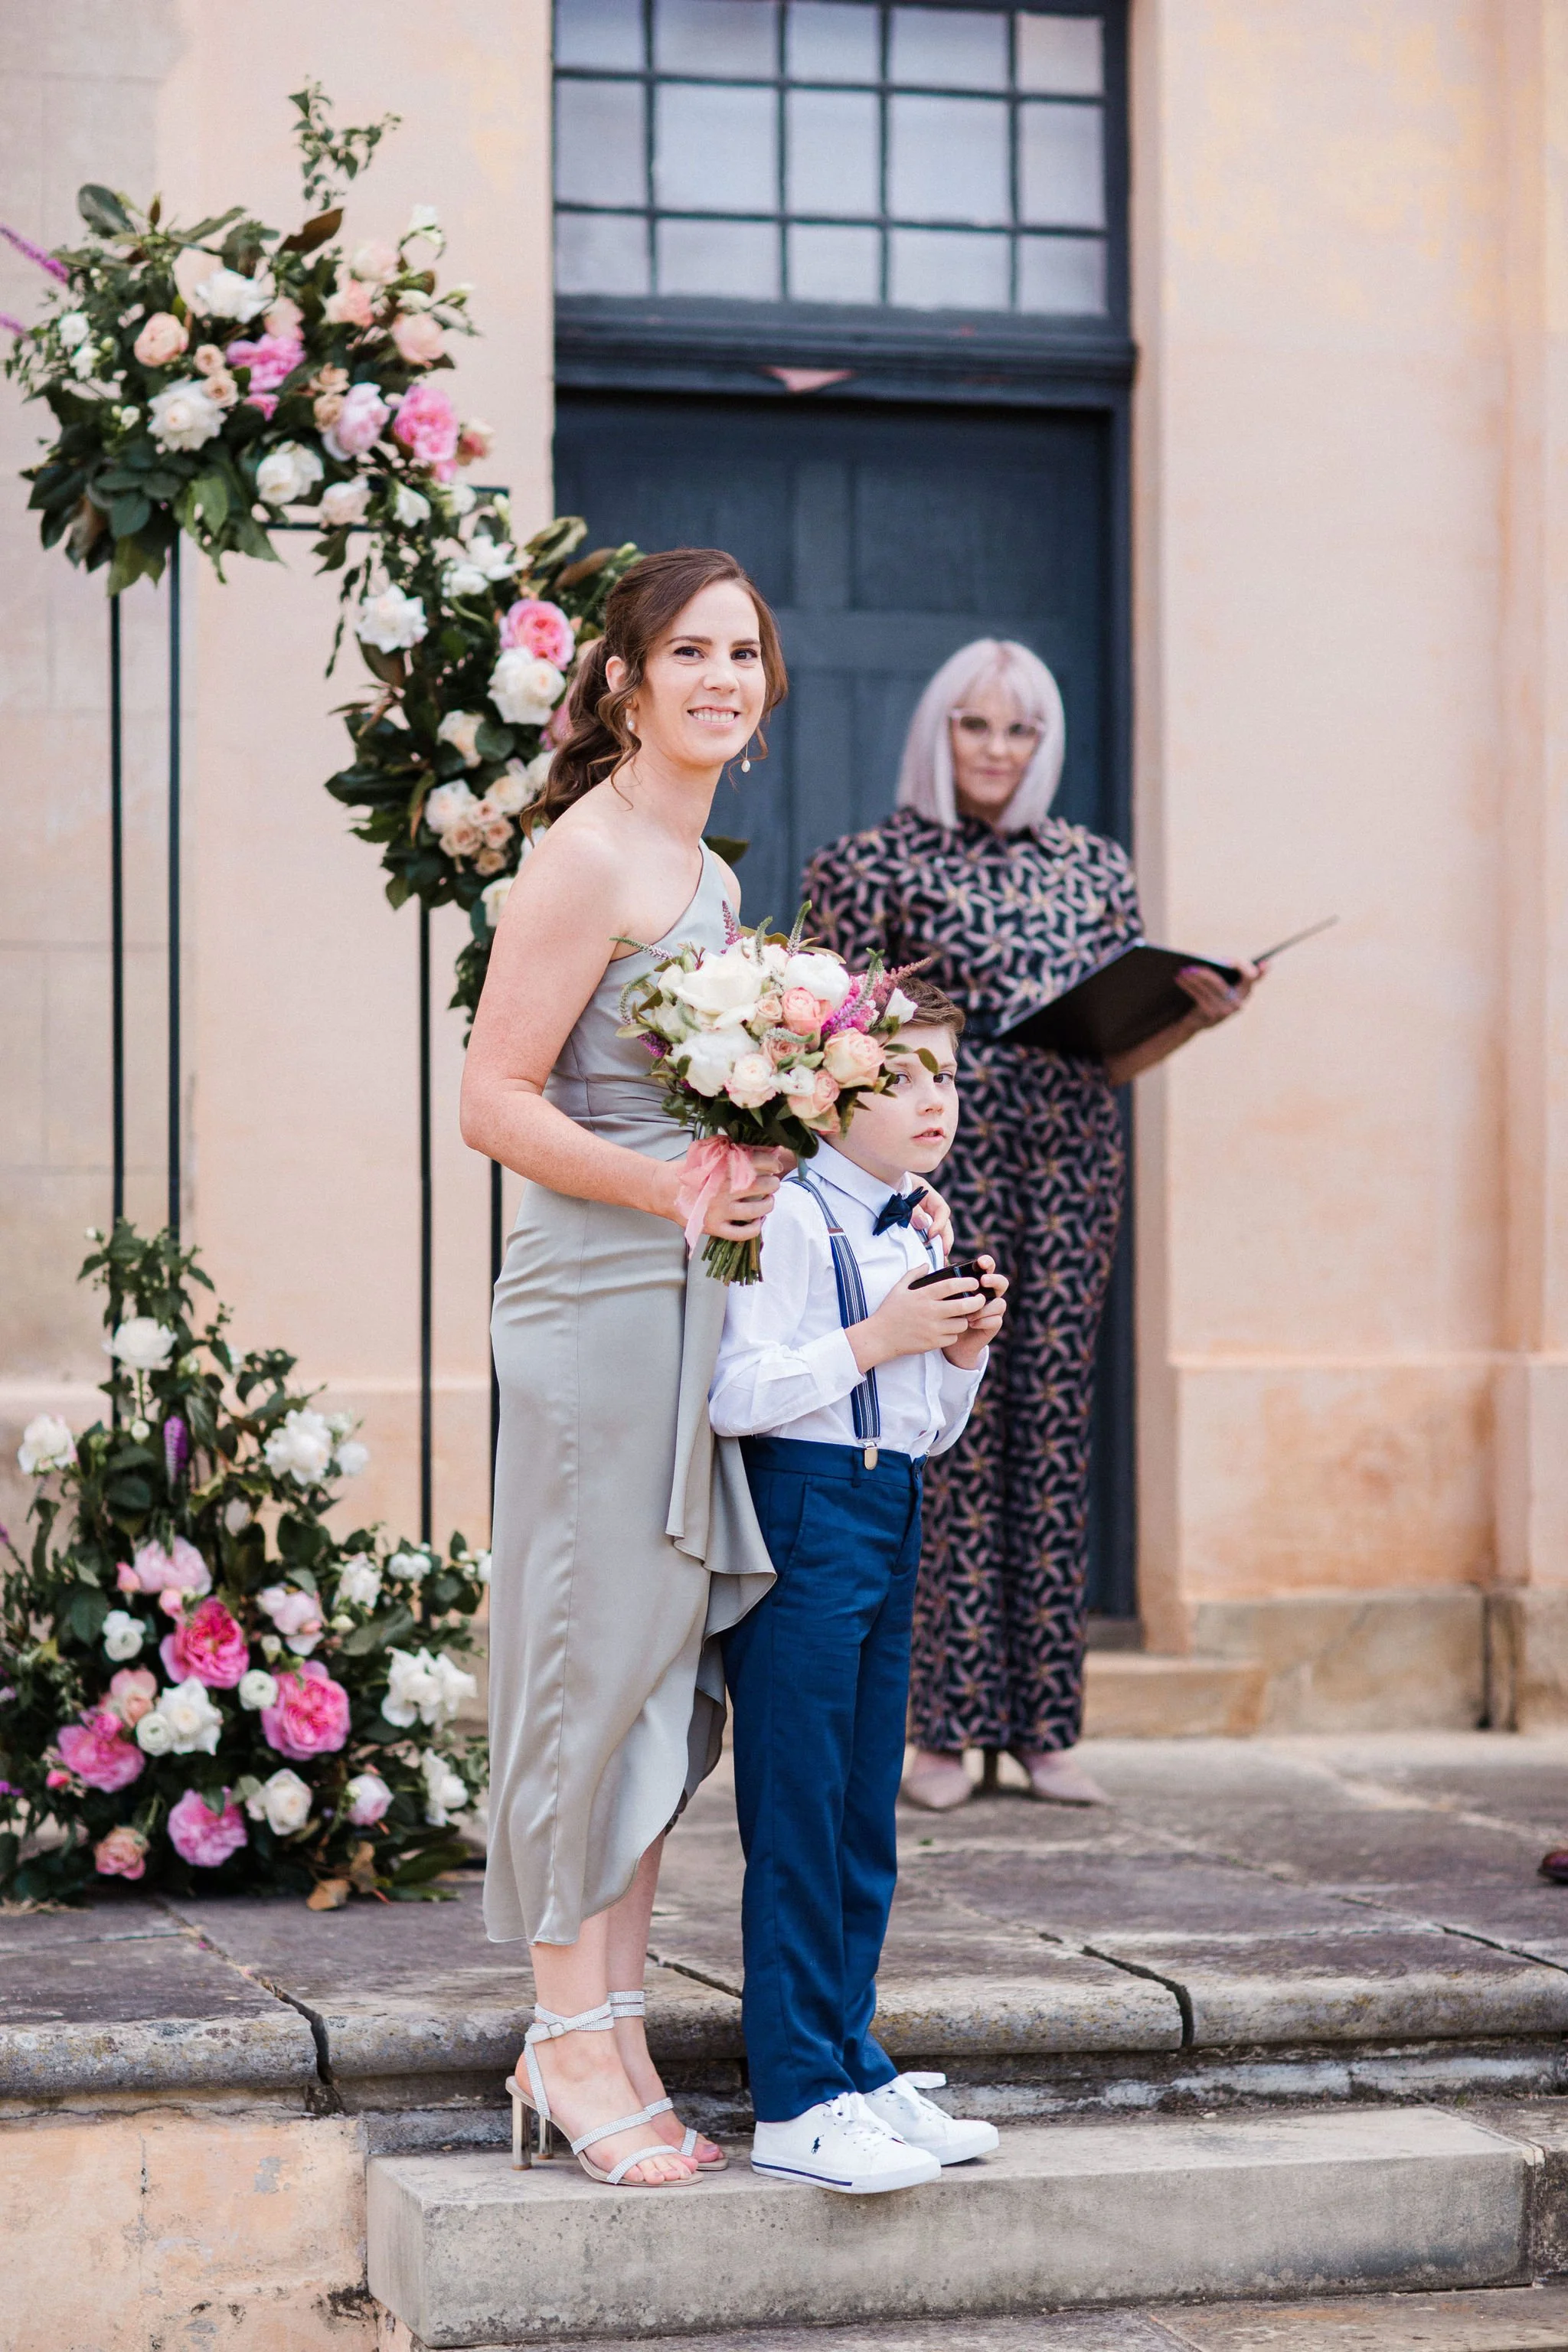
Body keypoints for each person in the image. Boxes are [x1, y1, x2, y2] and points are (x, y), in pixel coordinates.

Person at [460, 548, 792, 2188]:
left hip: (691, 1300)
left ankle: (619, 2020)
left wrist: (755, 1157)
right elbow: (495, 1101)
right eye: (691, 651)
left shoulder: (708, 870)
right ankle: (555, 2038)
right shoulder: (582, 858)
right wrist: (666, 1180)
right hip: (594, 1307)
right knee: (585, 1662)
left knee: (660, 1674)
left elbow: (698, 1110)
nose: (722, 677)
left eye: (742, 652)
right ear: (623, 681)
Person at [803, 640, 1260, 1813]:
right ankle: (942, 1734)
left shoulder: (1095, 869)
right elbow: (834, 1050)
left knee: (1050, 1425)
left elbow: (1115, 1053)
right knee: (937, 1424)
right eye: (976, 726)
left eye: (1022, 732)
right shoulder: (868, 864)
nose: (998, 751)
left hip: (1068, 1171)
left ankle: (1047, 1725)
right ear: (936, 733)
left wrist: (1197, 1018)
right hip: (933, 1172)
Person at [708, 978, 1007, 2193]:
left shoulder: (917, 1224)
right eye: (908, 1076)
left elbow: (926, 1429)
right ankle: (793, 2098)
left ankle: (850, 2055)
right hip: (803, 1507)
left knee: (860, 1807)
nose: (939, 1097)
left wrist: (961, 1354)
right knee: (797, 1799)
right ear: (829, 1097)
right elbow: (734, 1396)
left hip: (890, 1499)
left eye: (949, 1073)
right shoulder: (779, 1216)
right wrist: (875, 1340)